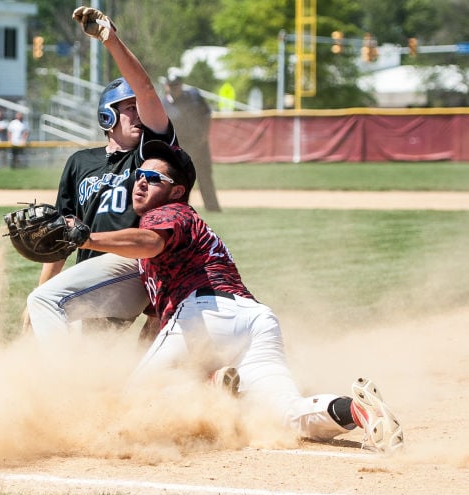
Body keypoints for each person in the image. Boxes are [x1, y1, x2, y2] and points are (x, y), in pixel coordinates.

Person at [74, 140, 405, 453]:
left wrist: (84, 237)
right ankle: (359, 411)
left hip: (203, 316)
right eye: (137, 175)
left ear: (176, 191)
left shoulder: (170, 213)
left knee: (133, 405)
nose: (140, 183)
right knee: (288, 416)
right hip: (256, 321)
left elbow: (150, 241)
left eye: (152, 178)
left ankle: (210, 387)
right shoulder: (194, 229)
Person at [26, 5, 177, 338]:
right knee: (102, 356)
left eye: (140, 107)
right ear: (107, 116)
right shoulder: (81, 163)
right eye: (128, 108)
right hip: (95, 274)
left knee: (47, 303)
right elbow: (60, 236)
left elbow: (147, 89)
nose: (138, 113)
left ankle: (62, 383)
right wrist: (41, 291)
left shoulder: (151, 154)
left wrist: (111, 41)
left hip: (140, 266)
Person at [161, 73, 221, 212]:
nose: (174, 88)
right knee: (181, 177)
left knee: (204, 174)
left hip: (199, 144)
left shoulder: (194, 96)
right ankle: (182, 208)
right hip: (180, 146)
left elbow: (206, 114)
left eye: (177, 85)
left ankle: (212, 207)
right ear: (166, 86)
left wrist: (205, 135)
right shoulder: (163, 104)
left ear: (181, 85)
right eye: (171, 85)